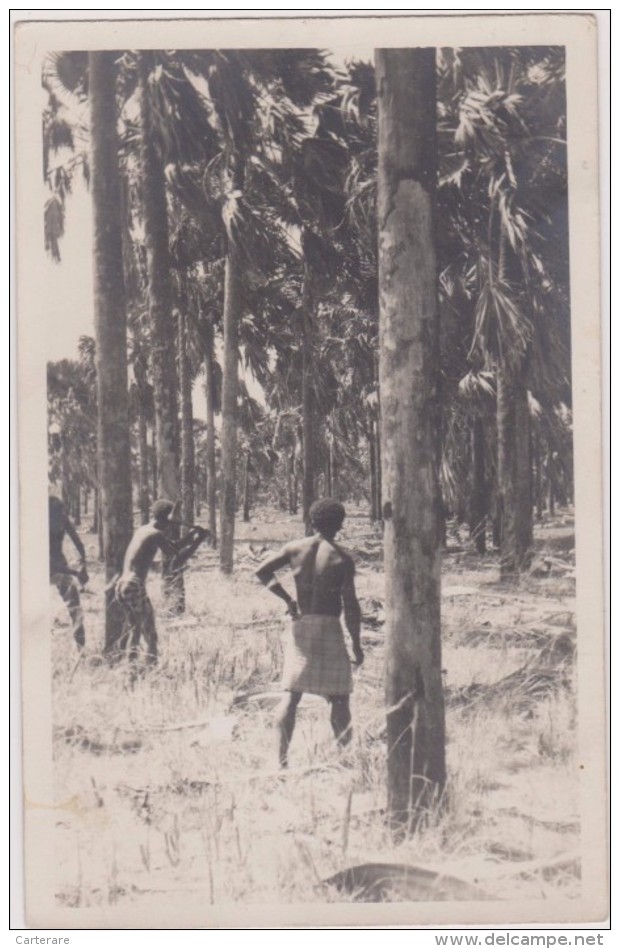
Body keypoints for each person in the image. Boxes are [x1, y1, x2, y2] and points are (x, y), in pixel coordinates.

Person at [255, 498, 364, 768]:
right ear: (340, 525)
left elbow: (262, 571)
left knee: (291, 695)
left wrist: (287, 600)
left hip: (302, 624)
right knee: (339, 697)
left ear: (311, 521)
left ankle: (280, 761)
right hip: (329, 625)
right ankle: (345, 759)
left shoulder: (294, 548)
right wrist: (356, 643)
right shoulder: (342, 558)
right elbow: (351, 606)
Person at [114, 499, 210, 665]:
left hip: (122, 584)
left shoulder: (144, 530)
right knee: (150, 634)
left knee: (135, 630)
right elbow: (177, 556)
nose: (170, 527)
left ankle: (131, 672)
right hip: (133, 585)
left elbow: (174, 546)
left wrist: (192, 536)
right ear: (165, 519)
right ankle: (146, 670)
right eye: (170, 523)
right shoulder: (155, 534)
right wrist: (197, 540)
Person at [49, 495, 88, 649]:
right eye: (57, 514)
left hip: (60, 562)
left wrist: (83, 563)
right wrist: (75, 572)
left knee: (75, 607)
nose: (61, 517)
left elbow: (79, 542)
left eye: (62, 512)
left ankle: (80, 647)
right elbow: (50, 564)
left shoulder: (62, 518)